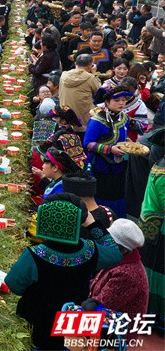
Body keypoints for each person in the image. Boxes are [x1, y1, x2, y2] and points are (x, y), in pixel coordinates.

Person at [6, 193, 122, 350]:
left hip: (38, 326)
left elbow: (14, 286)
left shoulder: (34, 255)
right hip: (71, 327)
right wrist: (92, 224)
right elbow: (115, 253)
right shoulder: (90, 251)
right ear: (78, 223)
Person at [83, 86, 138, 217]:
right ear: (107, 102)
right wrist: (109, 149)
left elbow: (122, 136)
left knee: (119, 192)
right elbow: (87, 143)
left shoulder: (124, 118)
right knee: (105, 194)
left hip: (120, 165)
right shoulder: (97, 121)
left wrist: (129, 143)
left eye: (124, 100)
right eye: (117, 100)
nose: (121, 103)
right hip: (102, 166)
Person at [88, 218, 149, 319]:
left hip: (116, 326)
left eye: (110, 242)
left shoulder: (126, 275)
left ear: (124, 249)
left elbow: (101, 305)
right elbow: (97, 284)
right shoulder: (116, 260)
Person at [59, 53, 101, 136]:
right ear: (90, 66)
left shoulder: (63, 75)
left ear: (75, 64)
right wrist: (94, 73)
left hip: (66, 119)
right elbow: (99, 92)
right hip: (84, 121)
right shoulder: (90, 77)